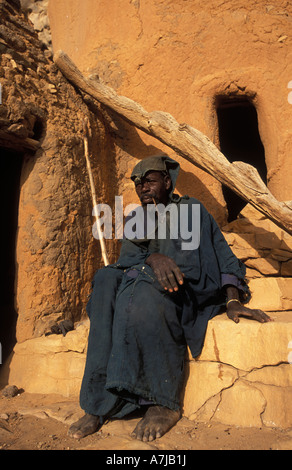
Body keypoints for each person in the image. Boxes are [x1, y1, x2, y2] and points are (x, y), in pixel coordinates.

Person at [68, 154, 271, 442]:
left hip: (183, 291)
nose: (143, 188)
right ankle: (98, 403)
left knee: (144, 291)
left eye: (149, 181)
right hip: (144, 281)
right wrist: (153, 257)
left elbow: (223, 255)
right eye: (138, 185)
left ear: (167, 181)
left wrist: (232, 299)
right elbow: (128, 261)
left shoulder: (191, 209)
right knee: (104, 280)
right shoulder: (137, 219)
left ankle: (161, 402)